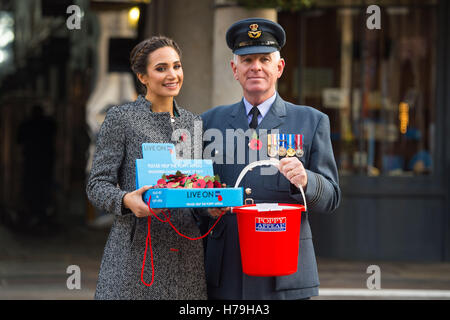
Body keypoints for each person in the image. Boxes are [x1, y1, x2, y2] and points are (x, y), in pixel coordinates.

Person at [201, 18, 341, 300]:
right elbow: (193, 196)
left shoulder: (311, 121)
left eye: (265, 59)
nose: (256, 67)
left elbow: (331, 198)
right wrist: (207, 208)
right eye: (247, 59)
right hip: (228, 269)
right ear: (234, 69)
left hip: (285, 272)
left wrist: (307, 180)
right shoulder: (208, 122)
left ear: (279, 68)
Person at [86, 36, 221, 300]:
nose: (172, 75)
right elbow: (96, 185)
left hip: (185, 254)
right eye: (161, 68)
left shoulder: (194, 123)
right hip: (136, 251)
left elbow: (191, 187)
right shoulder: (121, 118)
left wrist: (210, 205)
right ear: (142, 76)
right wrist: (126, 200)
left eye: (177, 66)